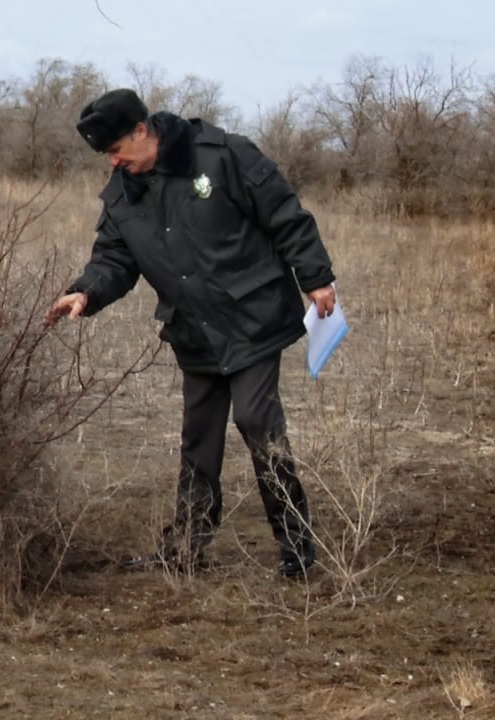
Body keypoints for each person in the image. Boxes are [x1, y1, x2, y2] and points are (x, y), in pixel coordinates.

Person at [44, 88, 337, 579]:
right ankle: (185, 549)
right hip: (194, 331)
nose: (113, 162)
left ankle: (296, 548)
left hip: (252, 317)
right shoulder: (122, 193)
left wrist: (316, 277)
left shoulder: (222, 155)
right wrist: (86, 293)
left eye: (117, 149)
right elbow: (113, 259)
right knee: (198, 440)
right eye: (106, 155)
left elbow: (284, 211)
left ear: (142, 130)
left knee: (256, 421)